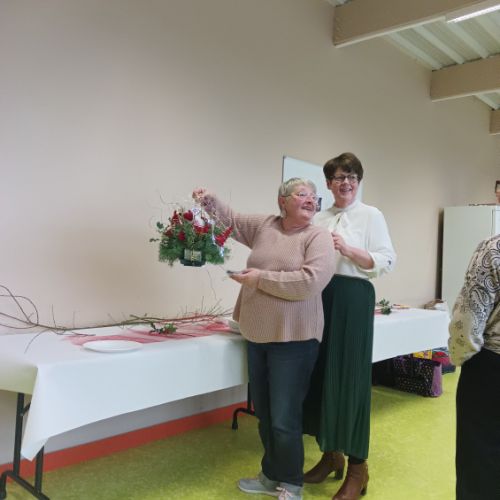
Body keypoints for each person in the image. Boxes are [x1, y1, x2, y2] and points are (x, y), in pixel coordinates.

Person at [192, 178, 336, 500]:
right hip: (257, 333)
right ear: (283, 201)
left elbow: (310, 282)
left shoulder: (318, 237)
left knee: (284, 418)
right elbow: (230, 220)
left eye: (314, 196)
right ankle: (270, 477)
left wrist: (260, 279)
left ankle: (292, 484)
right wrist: (209, 200)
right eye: (302, 194)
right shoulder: (265, 225)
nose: (311, 200)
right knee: (266, 414)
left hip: (295, 339)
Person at [302, 152, 396, 500]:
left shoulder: (371, 215)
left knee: (350, 380)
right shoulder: (319, 218)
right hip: (319, 298)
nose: (346, 183)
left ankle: (358, 468)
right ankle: (330, 455)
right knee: (321, 375)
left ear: (358, 181)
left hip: (354, 298)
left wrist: (348, 250)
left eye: (352, 177)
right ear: (328, 183)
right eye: (340, 177)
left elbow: (387, 259)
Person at [448, 234, 500, 500]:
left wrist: (459, 356)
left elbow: (468, 319)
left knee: (481, 459)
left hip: (492, 366)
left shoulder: (493, 249)